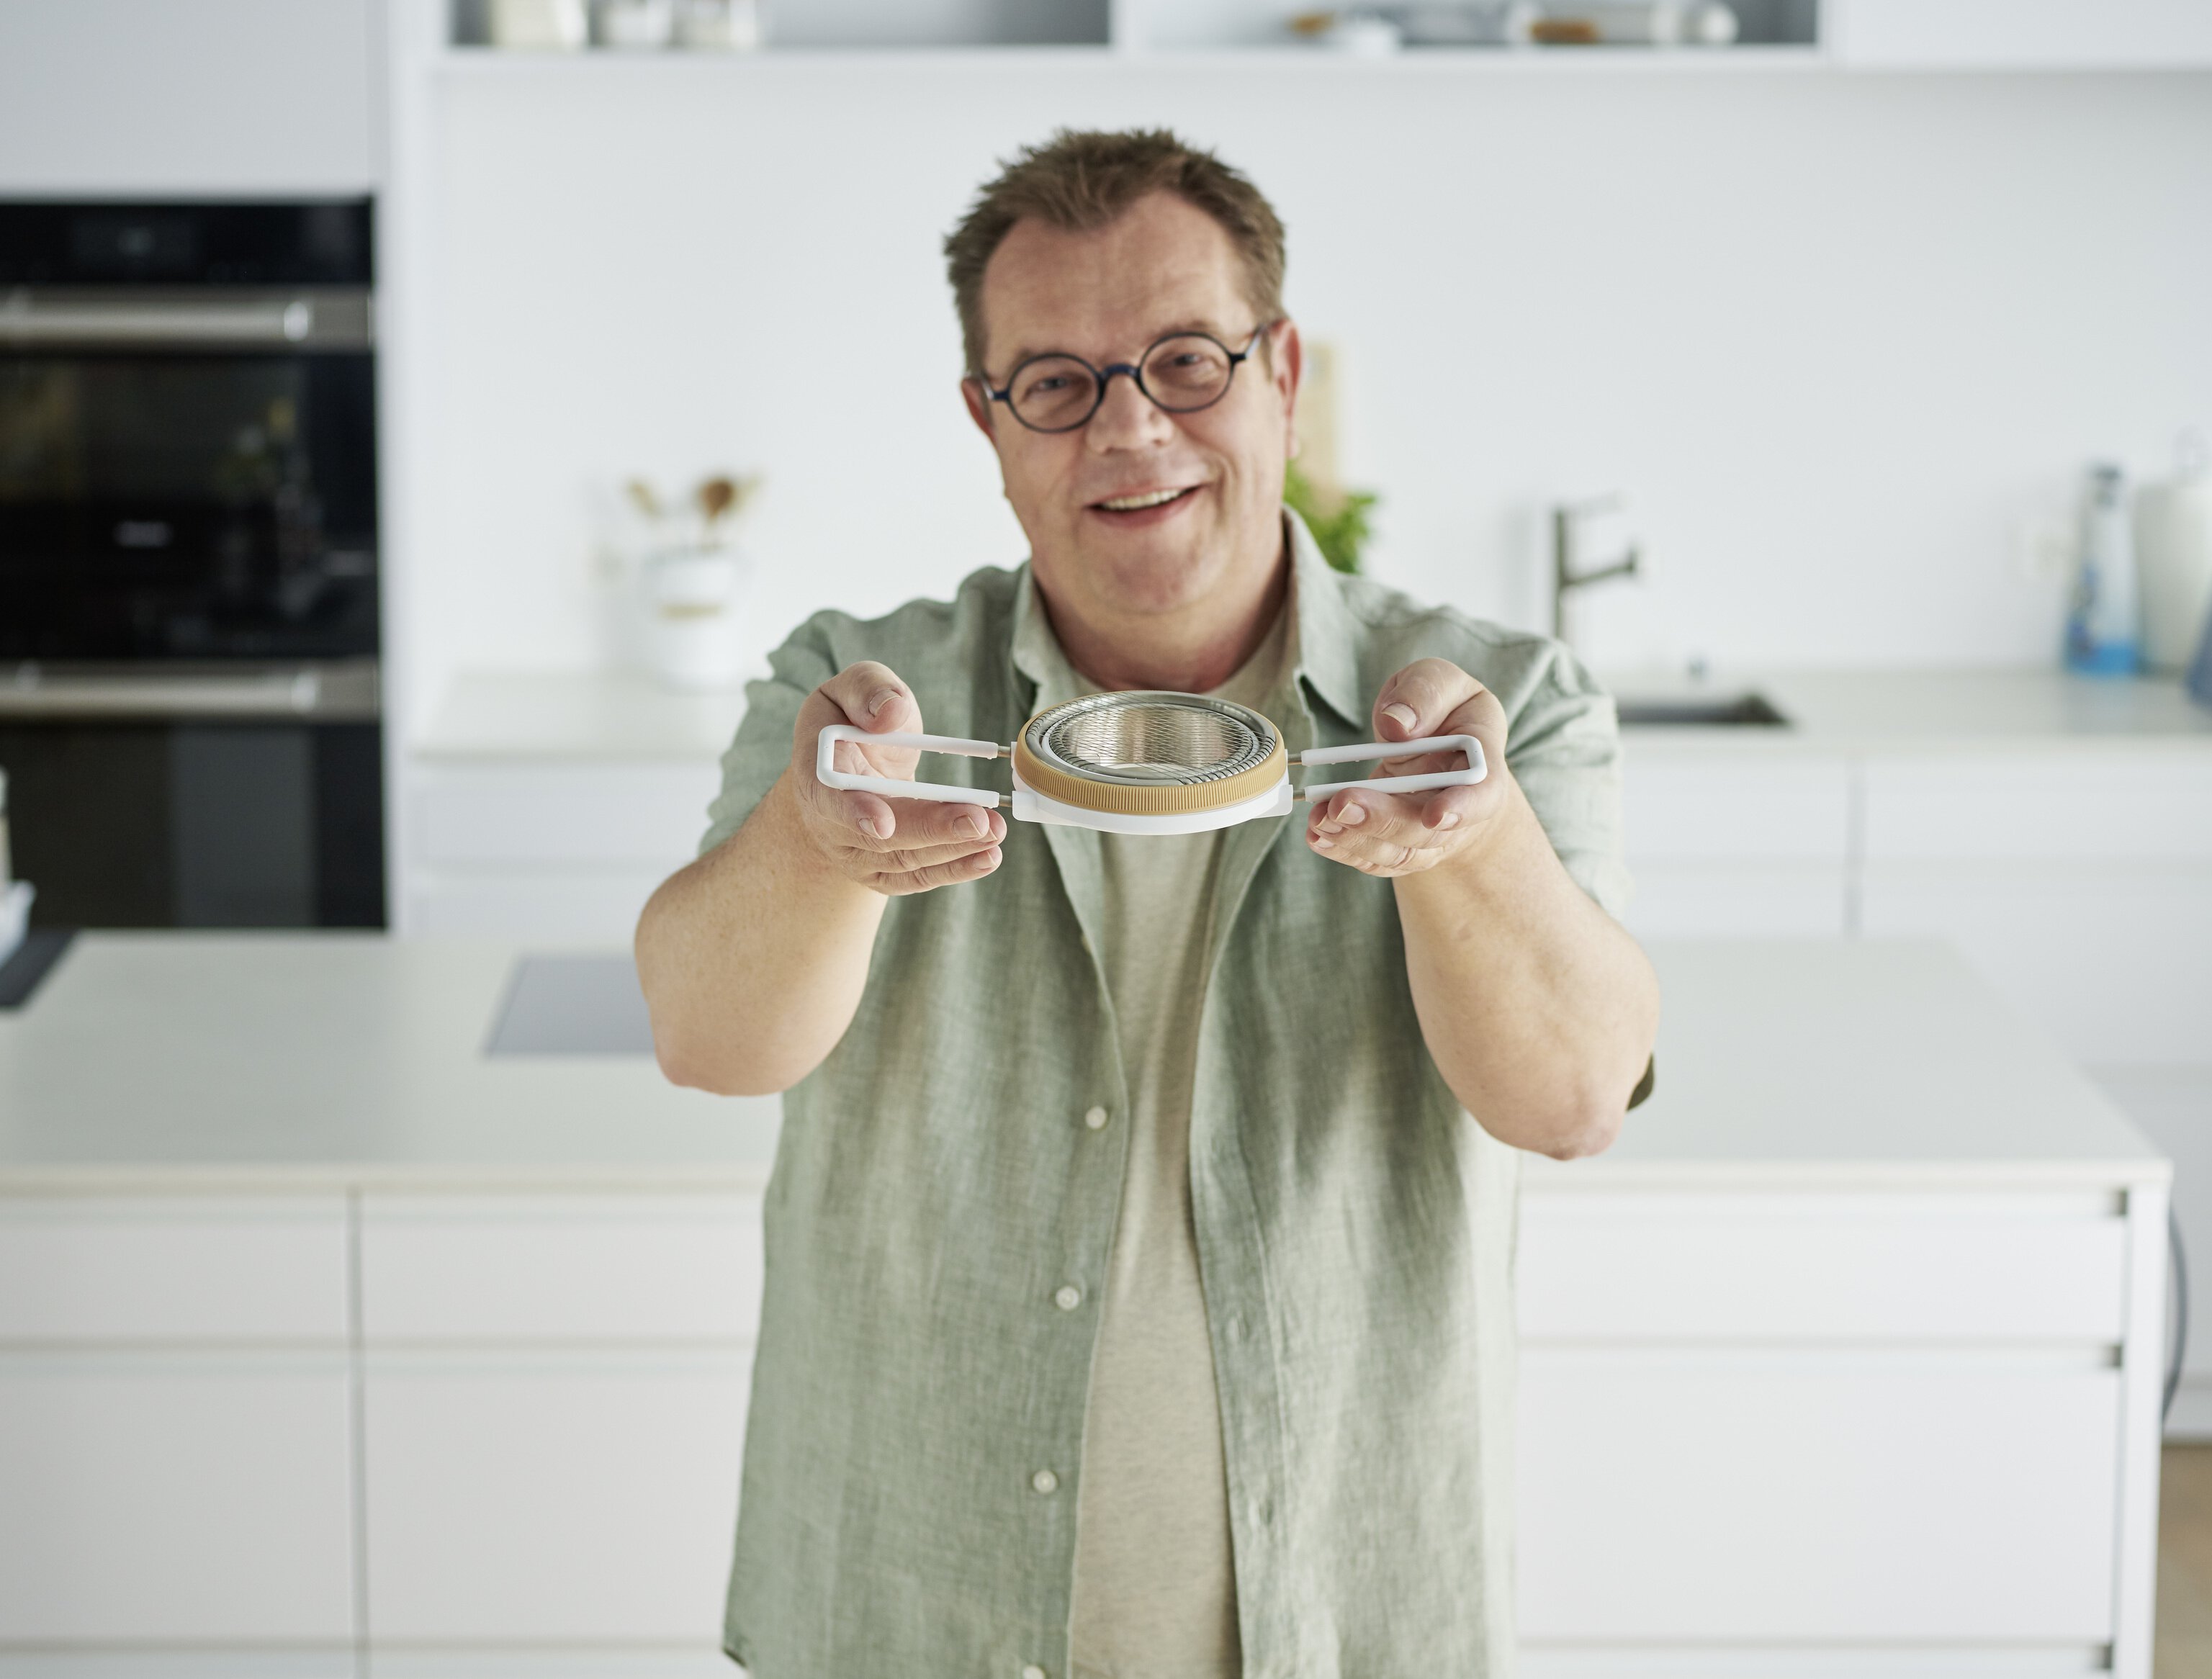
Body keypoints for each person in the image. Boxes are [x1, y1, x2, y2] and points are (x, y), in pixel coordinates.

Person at [634, 127, 1660, 1679]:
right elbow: (709, 1038)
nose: (1130, 428)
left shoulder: (1498, 706)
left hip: (1345, 1619)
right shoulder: (859, 691)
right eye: (1056, 382)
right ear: (988, 424)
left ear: (1282, 375)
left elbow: (1574, 1098)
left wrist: (1474, 838)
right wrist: (819, 838)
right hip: (901, 1617)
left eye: (1186, 361)